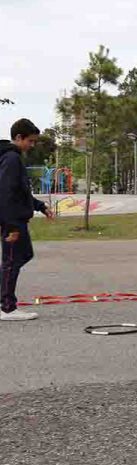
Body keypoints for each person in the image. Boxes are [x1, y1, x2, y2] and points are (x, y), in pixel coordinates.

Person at [0, 119, 55, 321]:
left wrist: (40, 206)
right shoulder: (11, 159)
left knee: (22, 256)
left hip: (15, 219)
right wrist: (11, 225)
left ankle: (4, 300)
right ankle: (6, 307)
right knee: (12, 260)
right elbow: (6, 193)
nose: (31, 146)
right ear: (18, 137)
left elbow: (21, 193)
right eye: (30, 141)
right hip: (12, 220)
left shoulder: (13, 158)